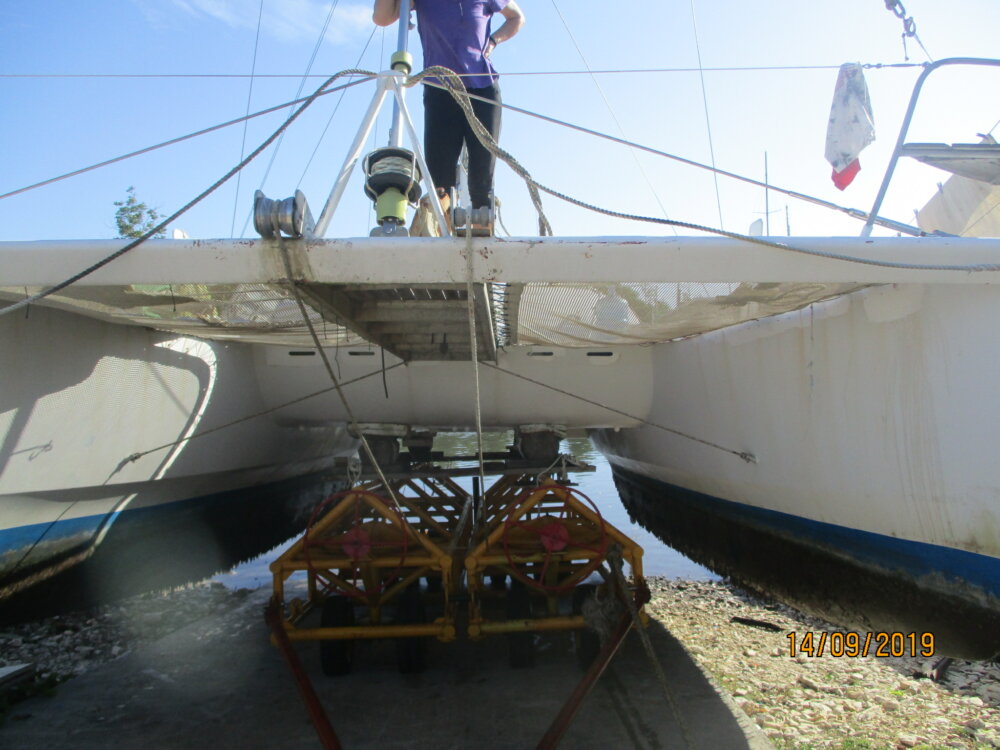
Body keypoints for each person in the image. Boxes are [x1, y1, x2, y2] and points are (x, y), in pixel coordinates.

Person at [373, 0, 525, 212]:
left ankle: (482, 233)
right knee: (440, 186)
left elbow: (517, 17)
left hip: (483, 88)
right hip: (440, 90)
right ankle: (442, 232)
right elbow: (382, 17)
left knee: (482, 182)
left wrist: (493, 40)